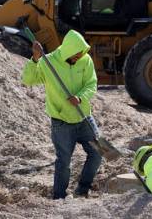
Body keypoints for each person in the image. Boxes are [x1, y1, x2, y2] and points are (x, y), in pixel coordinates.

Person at [22, 29, 101, 199]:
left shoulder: (86, 61)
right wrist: (35, 59)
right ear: (68, 51)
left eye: (81, 54)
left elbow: (91, 84)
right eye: (76, 54)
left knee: (97, 153)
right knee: (64, 161)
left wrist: (80, 98)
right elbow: (28, 80)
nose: (79, 57)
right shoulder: (49, 62)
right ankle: (59, 196)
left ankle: (82, 189)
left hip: (84, 118)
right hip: (62, 123)